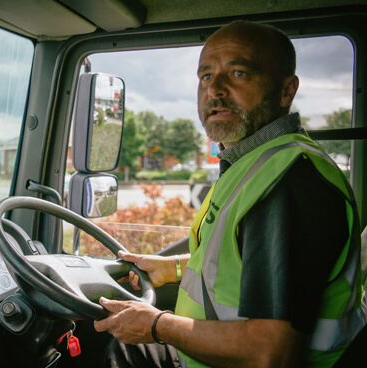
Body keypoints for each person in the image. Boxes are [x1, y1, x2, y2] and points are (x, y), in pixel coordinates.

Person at [94, 21, 364, 368]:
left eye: (237, 73)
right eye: (205, 76)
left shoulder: (289, 180)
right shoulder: (253, 163)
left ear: (286, 91)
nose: (215, 89)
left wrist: (157, 325)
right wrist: (173, 268)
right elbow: (239, 260)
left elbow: (271, 354)